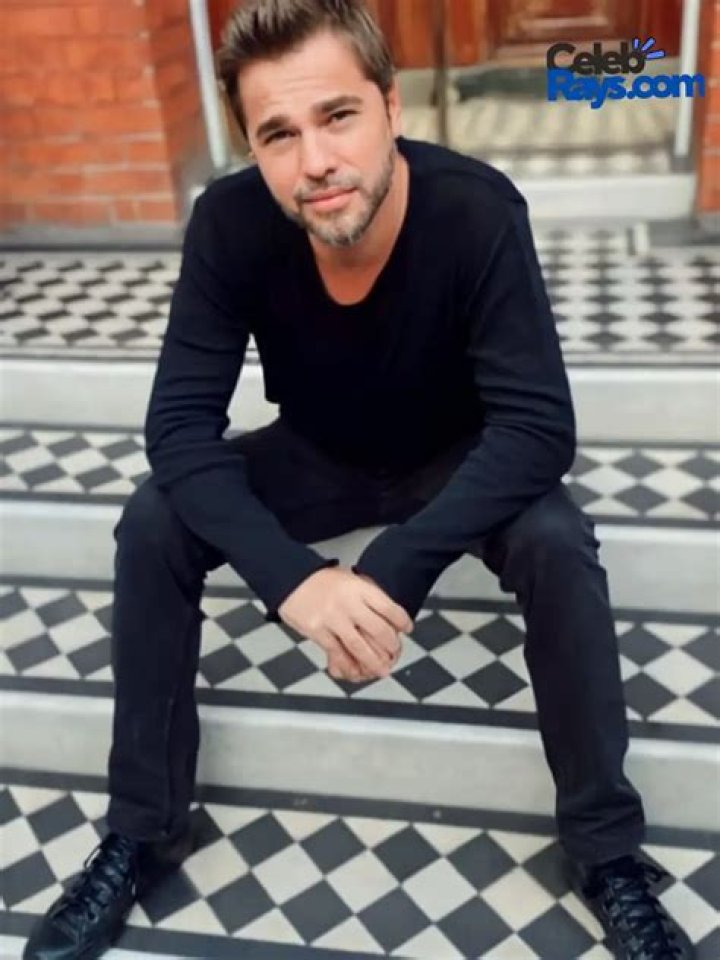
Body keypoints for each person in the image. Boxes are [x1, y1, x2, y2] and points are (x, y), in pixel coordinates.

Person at [23, 2, 694, 959]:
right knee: (154, 520)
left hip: (458, 456)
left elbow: (539, 427)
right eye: (279, 134)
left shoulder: (476, 210)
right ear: (252, 148)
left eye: (338, 116)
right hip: (319, 452)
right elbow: (177, 427)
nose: (316, 161)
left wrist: (394, 567)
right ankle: (142, 830)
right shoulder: (229, 224)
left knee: (555, 537)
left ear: (390, 107)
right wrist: (295, 580)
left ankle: (607, 852)